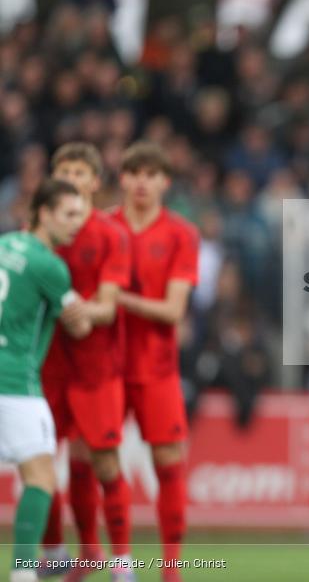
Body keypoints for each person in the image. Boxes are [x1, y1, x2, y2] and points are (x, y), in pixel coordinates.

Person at [37, 144, 135, 581]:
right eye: (65, 171)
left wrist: (80, 312)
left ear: (95, 181)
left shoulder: (111, 235)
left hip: (96, 367)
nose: (73, 178)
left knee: (103, 462)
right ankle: (61, 552)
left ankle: (120, 561)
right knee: (40, 460)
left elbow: (109, 307)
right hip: (48, 366)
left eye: (81, 172)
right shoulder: (37, 232)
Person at [111, 142, 199, 582]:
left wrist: (117, 298)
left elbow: (172, 311)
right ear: (122, 178)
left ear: (165, 181)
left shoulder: (181, 234)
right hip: (103, 367)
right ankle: (118, 564)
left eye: (151, 173)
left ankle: (170, 569)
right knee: (101, 465)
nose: (141, 181)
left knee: (168, 465)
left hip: (156, 368)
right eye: (133, 172)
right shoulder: (101, 228)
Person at [0, 180, 92, 582]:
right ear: (43, 213)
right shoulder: (49, 265)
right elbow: (81, 324)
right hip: (16, 382)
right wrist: (86, 311)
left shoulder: (3, 245)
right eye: (69, 214)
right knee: (41, 477)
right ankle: (23, 573)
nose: (77, 224)